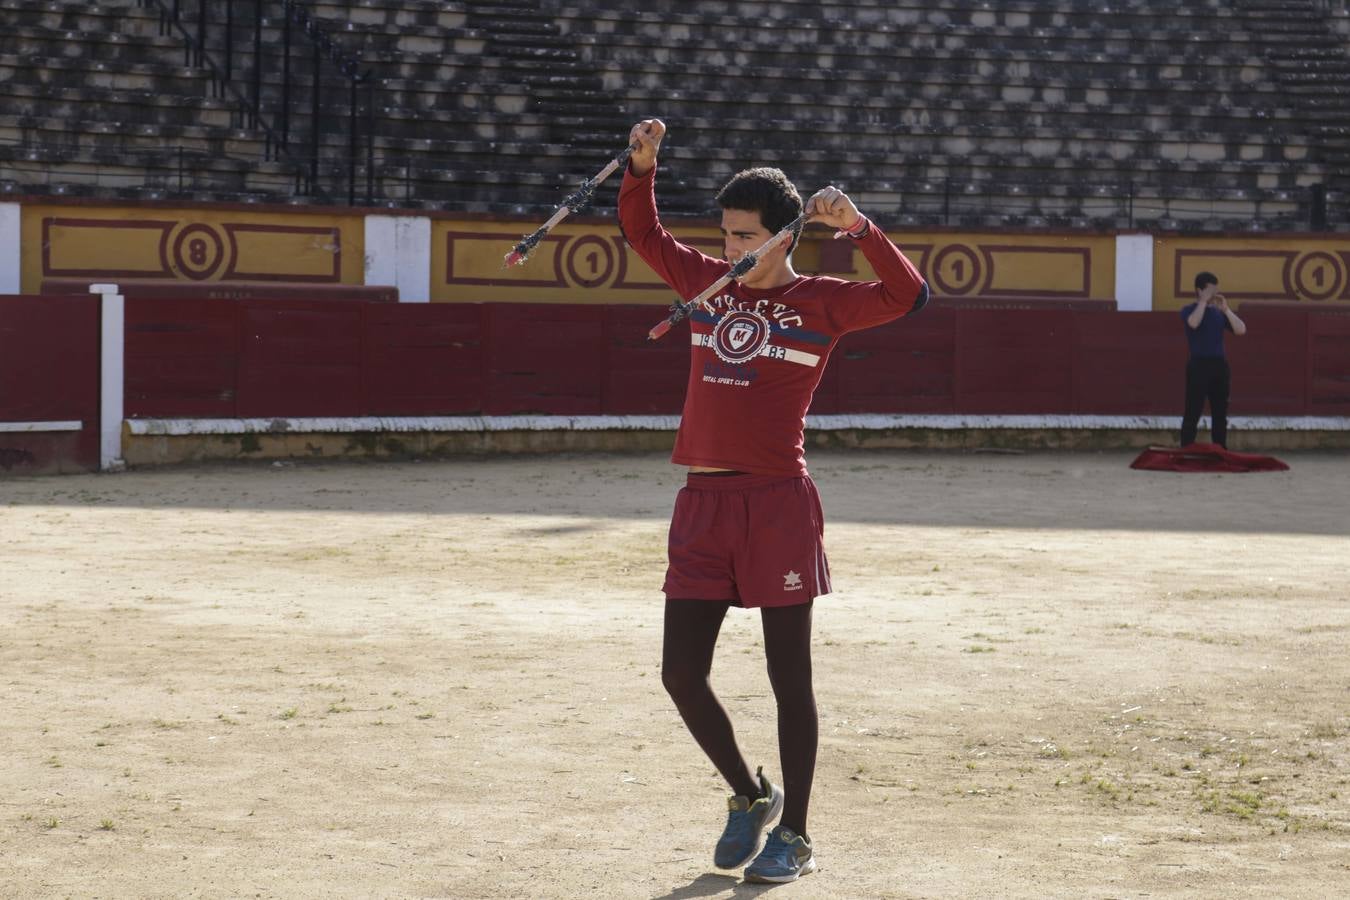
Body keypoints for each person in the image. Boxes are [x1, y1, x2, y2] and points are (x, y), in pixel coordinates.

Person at [617, 118, 929, 884]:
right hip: (703, 502)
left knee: (791, 680)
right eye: (725, 236)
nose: (732, 251)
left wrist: (858, 226)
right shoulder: (705, 285)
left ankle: (797, 833)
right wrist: (641, 167)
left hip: (779, 506)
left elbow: (908, 295)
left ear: (784, 236)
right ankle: (750, 794)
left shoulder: (823, 301)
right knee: (679, 675)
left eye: (746, 237)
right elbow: (643, 231)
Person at [1180, 271, 1247, 448]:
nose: (1214, 294)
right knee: (1193, 410)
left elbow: (1241, 330)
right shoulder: (1188, 310)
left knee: (1220, 412)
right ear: (1199, 290)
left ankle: (1220, 449)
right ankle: (1186, 448)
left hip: (1219, 366)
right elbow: (1193, 323)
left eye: (1215, 290)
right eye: (1210, 290)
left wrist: (1226, 309)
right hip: (1198, 366)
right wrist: (1203, 302)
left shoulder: (1218, 313)